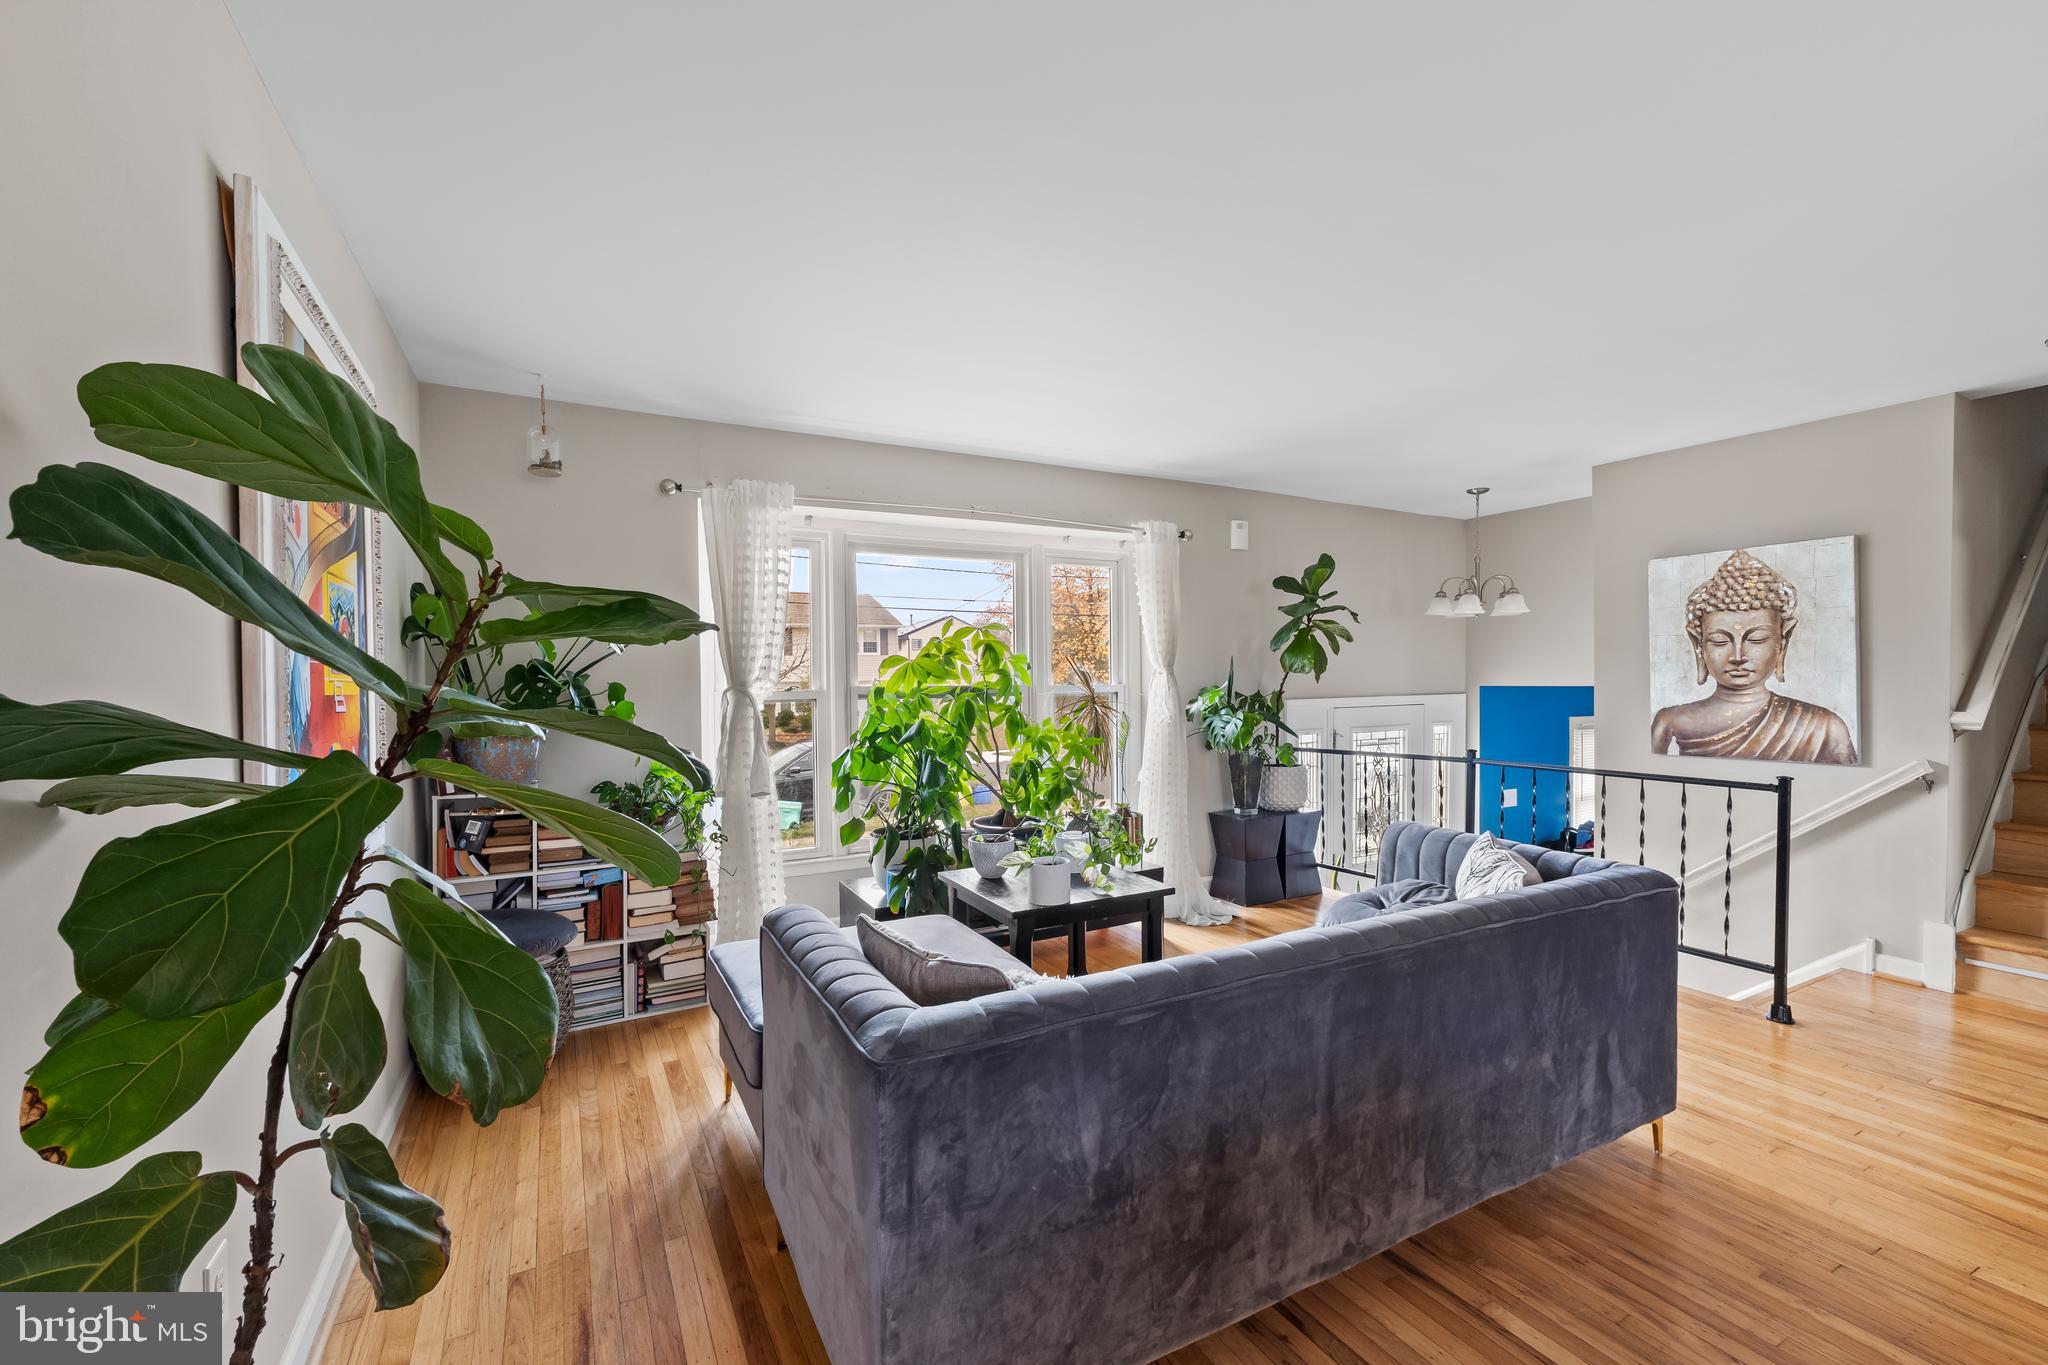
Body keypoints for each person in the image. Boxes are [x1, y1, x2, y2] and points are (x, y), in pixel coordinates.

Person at [1650, 549, 1856, 764]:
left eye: (1756, 639)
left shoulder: (1823, 725)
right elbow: (1650, 776)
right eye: (1720, 641)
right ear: (1698, 644)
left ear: (1783, 640)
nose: (1738, 656)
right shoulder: (1671, 721)